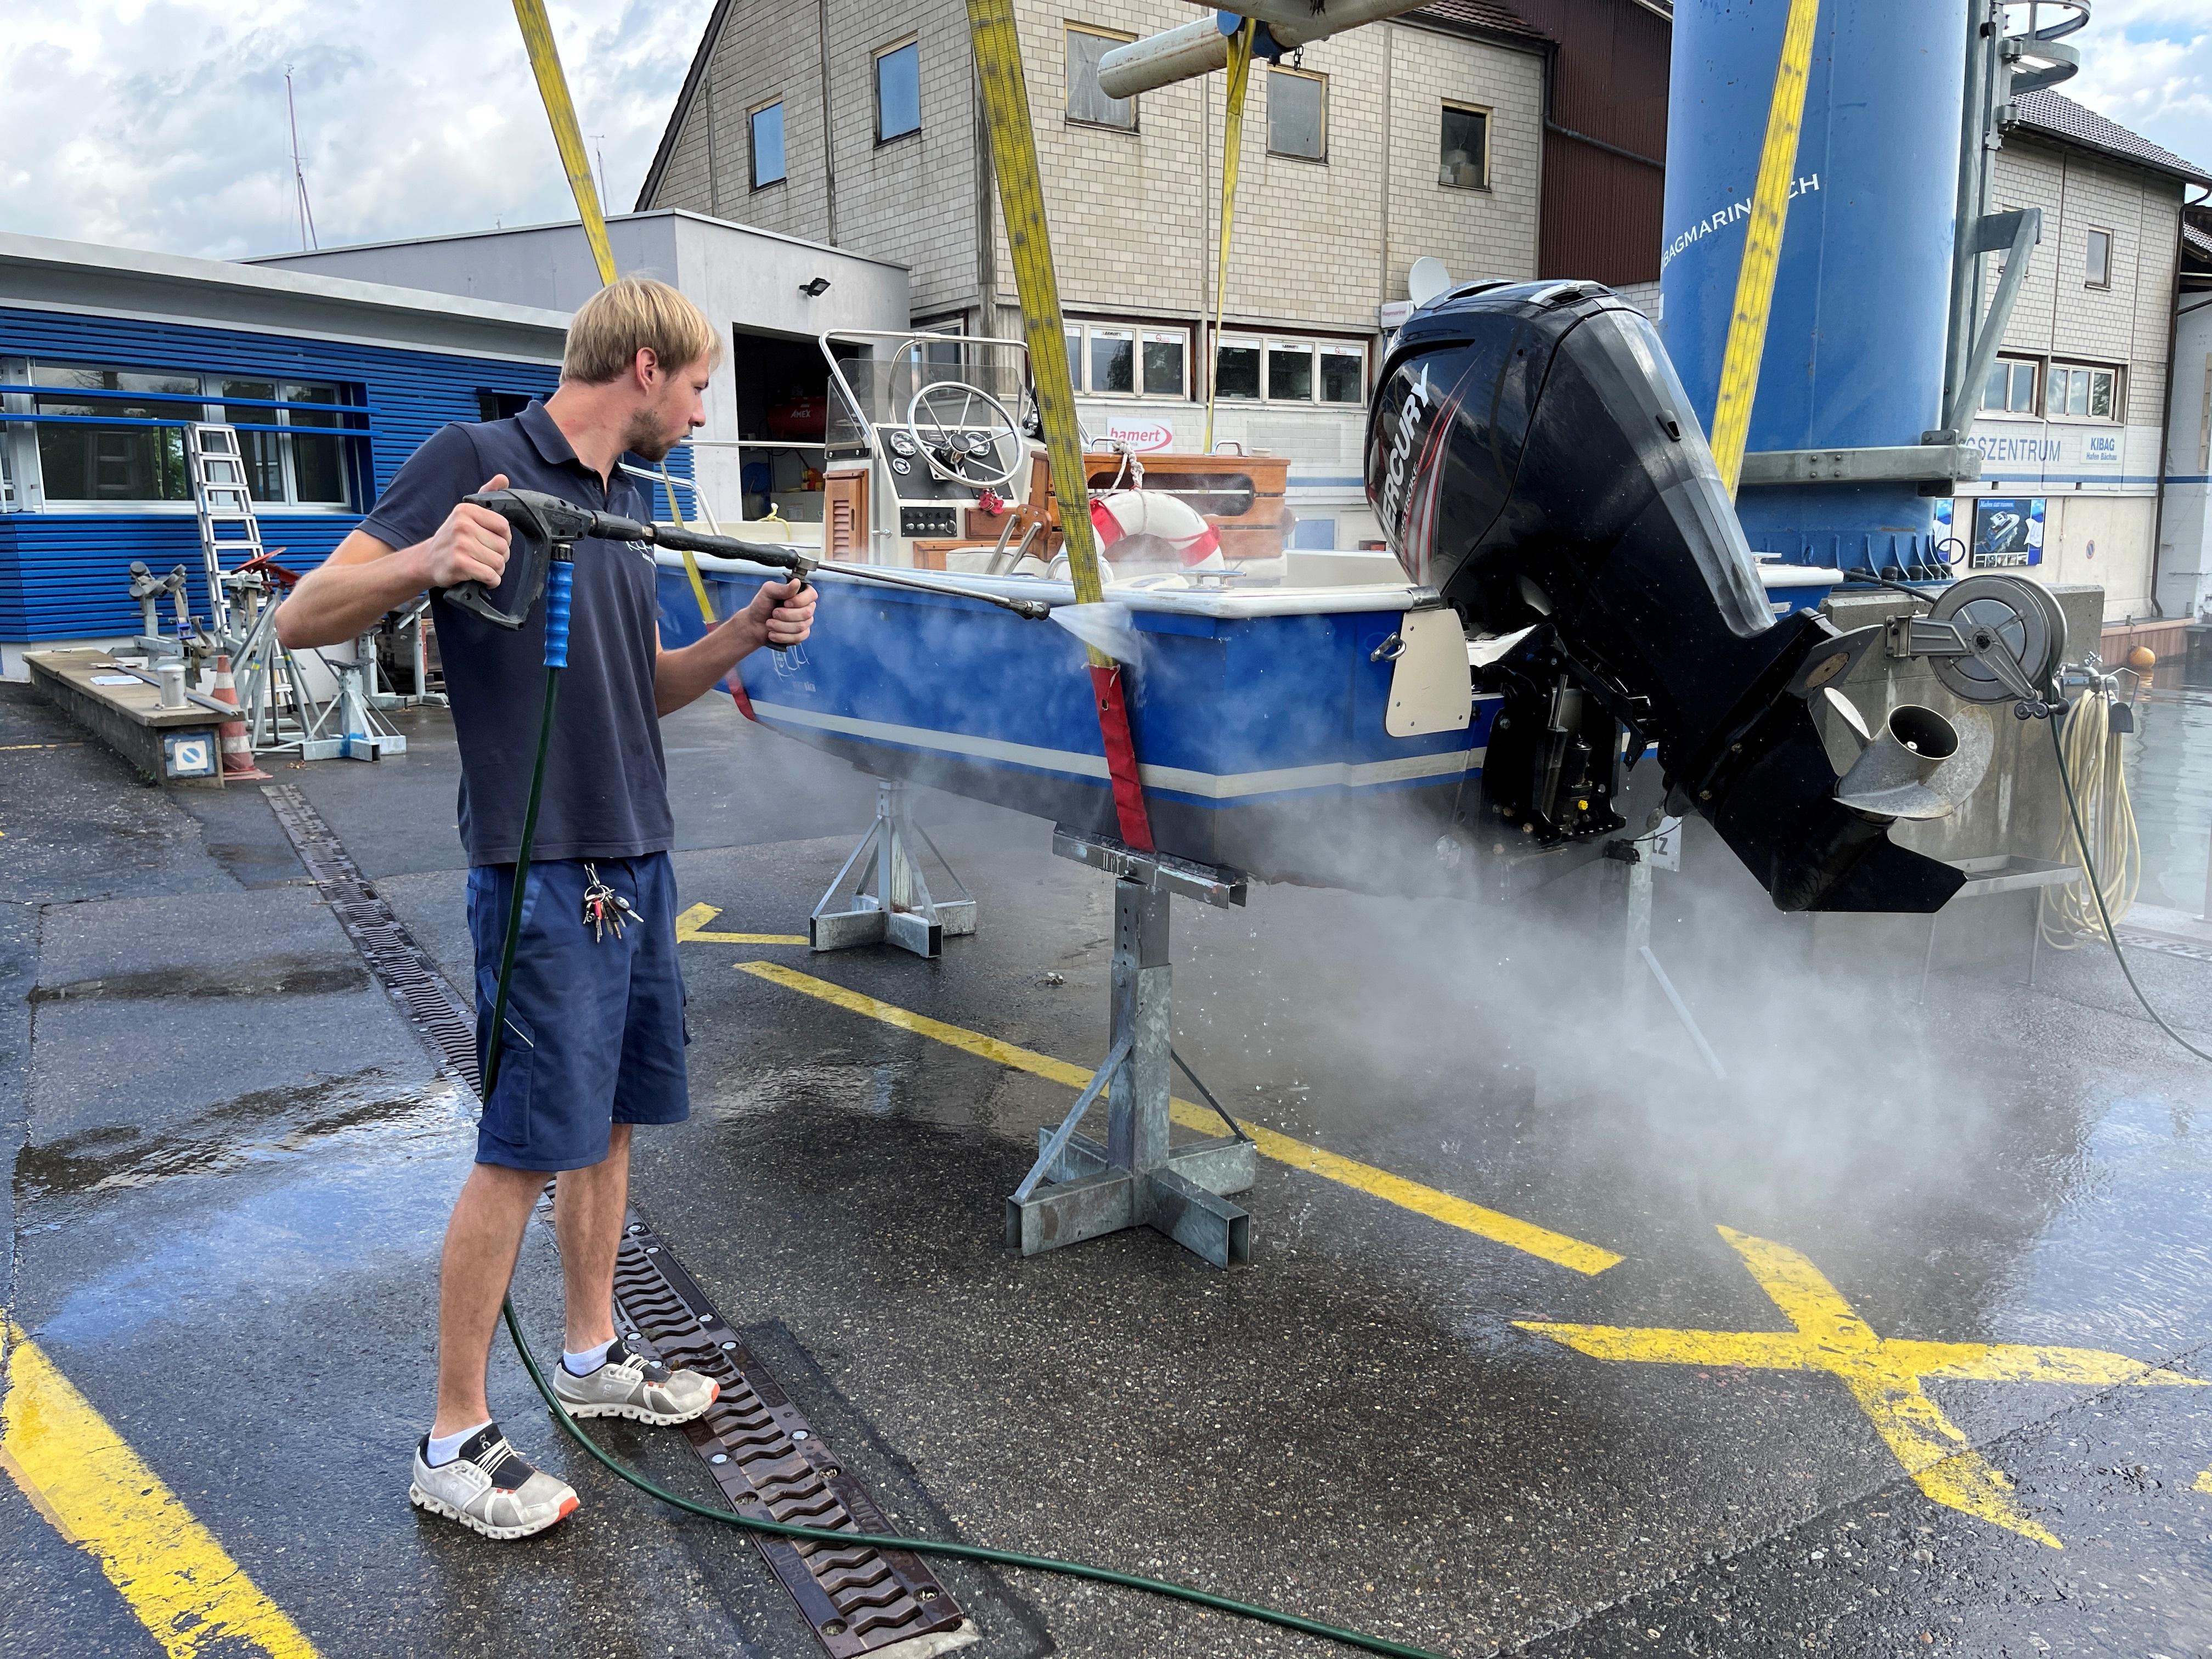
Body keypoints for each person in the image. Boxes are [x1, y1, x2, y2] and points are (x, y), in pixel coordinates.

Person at [278, 276, 816, 1539]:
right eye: (695, 389)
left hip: (638, 859)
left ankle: (588, 1356)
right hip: (540, 874)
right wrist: (423, 558)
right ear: (642, 367)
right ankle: (452, 1441)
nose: (697, 415)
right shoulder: (479, 461)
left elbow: (643, 691)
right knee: (521, 1150)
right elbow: (304, 616)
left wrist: (740, 635)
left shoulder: (625, 506)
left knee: (613, 1124)